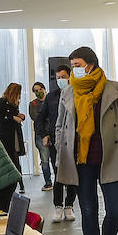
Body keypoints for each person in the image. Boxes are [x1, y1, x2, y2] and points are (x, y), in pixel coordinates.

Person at [55, 47, 118, 235]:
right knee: (89, 212)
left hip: (109, 158)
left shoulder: (113, 88)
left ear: (91, 64)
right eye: (72, 65)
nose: (74, 69)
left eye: (78, 64)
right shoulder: (68, 92)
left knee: (116, 210)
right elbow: (60, 126)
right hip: (81, 162)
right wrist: (62, 150)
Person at [38, 64, 78, 221]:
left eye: (63, 76)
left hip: (73, 140)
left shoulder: (76, 94)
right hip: (57, 141)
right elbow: (41, 117)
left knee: (73, 174)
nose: (61, 80)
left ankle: (69, 206)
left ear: (70, 76)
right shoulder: (51, 96)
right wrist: (44, 135)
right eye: (58, 77)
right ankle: (58, 206)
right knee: (59, 174)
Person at [0, 83, 28, 192]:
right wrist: (13, 118)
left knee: (15, 158)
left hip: (15, 134)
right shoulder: (1, 102)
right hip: (6, 135)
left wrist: (19, 116)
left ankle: (20, 183)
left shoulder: (14, 103)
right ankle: (15, 182)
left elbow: (14, 115)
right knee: (11, 158)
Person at [28, 81, 53, 190]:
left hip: (53, 132)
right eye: (36, 91)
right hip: (40, 135)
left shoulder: (51, 100)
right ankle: (48, 182)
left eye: (40, 89)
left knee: (57, 159)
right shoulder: (33, 104)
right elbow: (36, 118)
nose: (38, 92)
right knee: (45, 160)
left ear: (44, 89)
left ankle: (61, 182)